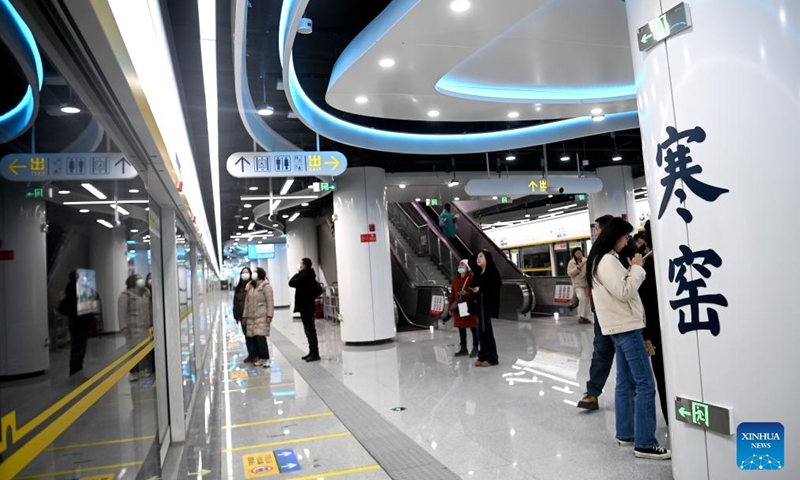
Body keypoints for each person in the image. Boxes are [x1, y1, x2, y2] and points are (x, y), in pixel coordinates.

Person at [586, 217, 670, 460]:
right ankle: (645, 443)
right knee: (645, 384)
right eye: (624, 238)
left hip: (617, 328)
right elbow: (624, 291)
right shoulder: (607, 261)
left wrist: (632, 269)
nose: (626, 242)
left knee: (625, 382)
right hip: (627, 328)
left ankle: (626, 433)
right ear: (615, 237)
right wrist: (637, 268)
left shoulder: (600, 260)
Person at [577, 214, 617, 411]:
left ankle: (634, 389)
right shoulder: (597, 252)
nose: (596, 232)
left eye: (598, 229)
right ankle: (592, 393)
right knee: (601, 350)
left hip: (620, 313)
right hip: (601, 311)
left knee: (627, 352)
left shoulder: (621, 251)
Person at [638, 222, 668, 425]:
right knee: (662, 375)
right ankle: (671, 419)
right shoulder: (645, 268)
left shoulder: (647, 267)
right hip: (656, 330)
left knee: (662, 374)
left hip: (656, 330)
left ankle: (671, 418)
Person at [118, 273, 153, 381]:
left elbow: (150, 309)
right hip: (132, 329)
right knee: (133, 351)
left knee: (145, 351)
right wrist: (124, 328)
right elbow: (122, 313)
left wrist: (152, 322)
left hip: (145, 327)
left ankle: (144, 369)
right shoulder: (125, 296)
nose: (141, 280)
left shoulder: (146, 294)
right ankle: (133, 372)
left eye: (141, 278)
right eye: (138, 279)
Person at [470, 250, 501, 367]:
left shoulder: (492, 271)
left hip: (487, 305)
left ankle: (492, 357)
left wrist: (481, 289)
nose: (478, 259)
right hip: (479, 304)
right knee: (480, 331)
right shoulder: (478, 272)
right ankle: (482, 355)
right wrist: (476, 289)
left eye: (481, 256)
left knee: (486, 330)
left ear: (487, 258)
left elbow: (496, 287)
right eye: (477, 257)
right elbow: (471, 261)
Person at [289, 258, 321, 362]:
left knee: (310, 331)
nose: (299, 265)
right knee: (309, 330)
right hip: (308, 306)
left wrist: (297, 273)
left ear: (305, 265)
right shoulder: (309, 274)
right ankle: (312, 352)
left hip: (306, 307)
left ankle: (315, 353)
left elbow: (291, 282)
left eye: (301, 263)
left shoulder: (304, 276)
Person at [60, 271, 92, 375]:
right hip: (83, 321)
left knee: (76, 347)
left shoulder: (69, 290)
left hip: (74, 321)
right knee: (81, 347)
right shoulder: (81, 289)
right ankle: (78, 369)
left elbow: (63, 307)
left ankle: (74, 371)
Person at [243, 267, 274, 367]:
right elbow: (246, 303)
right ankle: (260, 358)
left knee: (261, 338)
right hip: (251, 316)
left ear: (260, 273)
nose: (253, 273)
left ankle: (266, 358)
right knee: (254, 338)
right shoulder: (250, 286)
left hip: (262, 315)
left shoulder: (266, 286)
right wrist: (244, 316)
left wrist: (269, 315)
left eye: (255, 271)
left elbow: (270, 302)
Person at [449, 259, 478, 358]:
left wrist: (467, 293)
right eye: (459, 265)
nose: (460, 267)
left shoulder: (471, 277)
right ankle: (463, 348)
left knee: (473, 327)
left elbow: (475, 291)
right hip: (459, 306)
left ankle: (475, 347)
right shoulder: (456, 279)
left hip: (469, 306)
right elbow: (453, 294)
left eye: (462, 265)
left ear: (467, 267)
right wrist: (450, 307)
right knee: (461, 327)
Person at [233, 267, 259, 364]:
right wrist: (236, 315)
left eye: (247, 272)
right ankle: (251, 355)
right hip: (242, 316)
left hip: (252, 315)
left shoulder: (253, 286)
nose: (245, 274)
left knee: (253, 336)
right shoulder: (238, 288)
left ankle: (256, 355)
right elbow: (235, 302)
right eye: (243, 272)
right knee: (247, 336)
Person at [567, 247, 591, 324]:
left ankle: (585, 316)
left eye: (580, 253)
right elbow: (570, 273)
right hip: (577, 284)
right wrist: (578, 268)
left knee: (587, 299)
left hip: (586, 283)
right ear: (574, 254)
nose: (579, 255)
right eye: (577, 253)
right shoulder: (571, 263)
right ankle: (581, 316)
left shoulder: (585, 261)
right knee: (582, 298)